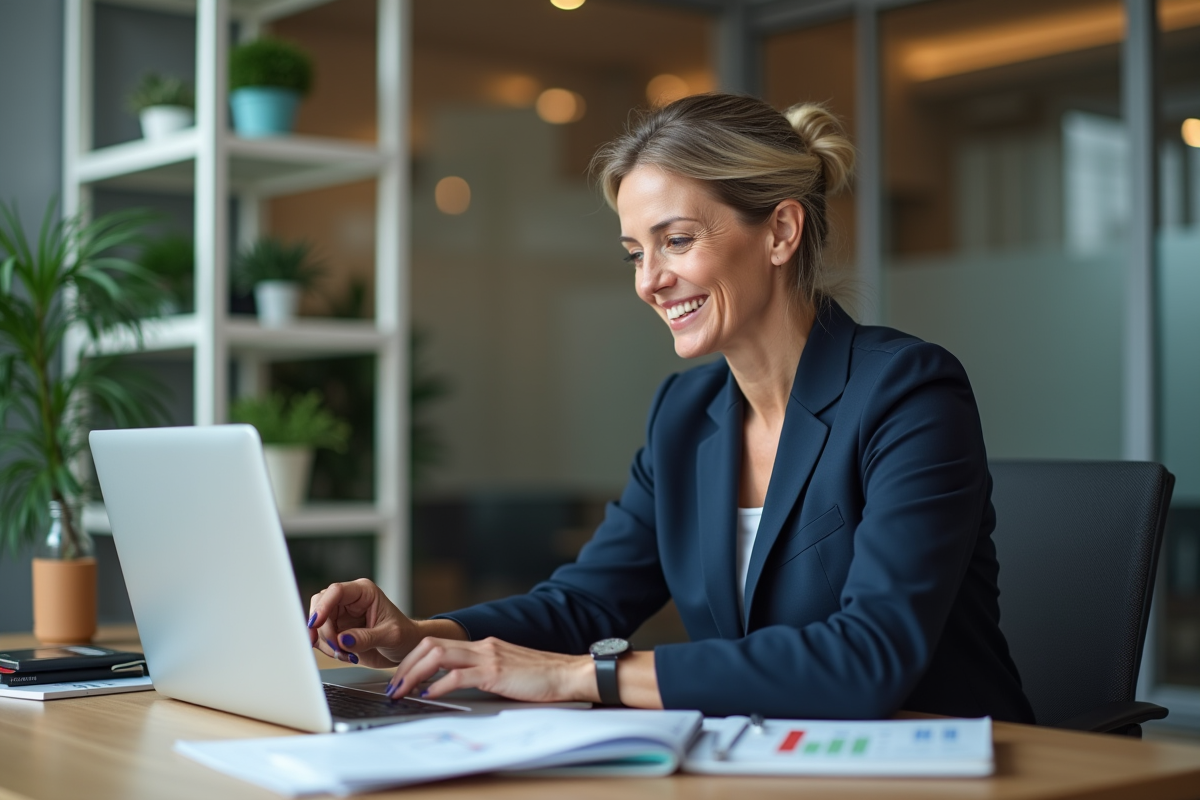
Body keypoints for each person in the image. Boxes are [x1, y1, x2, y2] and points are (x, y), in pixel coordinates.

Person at [306, 93, 1035, 723]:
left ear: (781, 231)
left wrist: (576, 676)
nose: (650, 281)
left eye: (676, 242)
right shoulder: (685, 414)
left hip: (940, 763)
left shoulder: (907, 391)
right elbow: (587, 604)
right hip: (770, 758)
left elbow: (870, 655)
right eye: (634, 253)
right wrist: (422, 635)